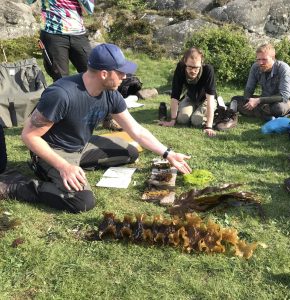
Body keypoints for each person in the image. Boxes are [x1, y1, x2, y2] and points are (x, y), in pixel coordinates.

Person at [0, 43, 191, 213]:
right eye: (121, 72)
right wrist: (64, 166)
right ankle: (16, 186)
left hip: (81, 146)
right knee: (82, 201)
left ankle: (76, 167)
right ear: (104, 73)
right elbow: (29, 136)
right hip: (53, 152)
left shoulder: (110, 93)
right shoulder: (62, 94)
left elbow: (136, 130)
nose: (125, 77)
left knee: (130, 152)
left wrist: (168, 154)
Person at [27, 0, 120, 131]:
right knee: (60, 81)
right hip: (53, 35)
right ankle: (65, 122)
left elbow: (89, 8)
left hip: (78, 35)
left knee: (99, 75)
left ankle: (108, 119)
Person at [158, 47, 218, 137]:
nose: (193, 71)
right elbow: (175, 95)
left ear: (201, 62)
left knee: (196, 121)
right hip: (190, 97)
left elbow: (210, 99)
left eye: (196, 68)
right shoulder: (180, 68)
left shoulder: (208, 70)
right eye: (190, 67)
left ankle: (215, 109)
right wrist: (172, 120)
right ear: (185, 61)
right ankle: (192, 109)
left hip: (206, 99)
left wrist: (209, 126)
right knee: (182, 119)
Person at [232, 43, 290, 120]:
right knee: (235, 100)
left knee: (278, 108)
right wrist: (248, 100)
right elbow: (249, 88)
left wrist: (259, 100)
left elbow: (284, 96)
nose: (260, 63)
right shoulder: (255, 67)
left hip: (283, 101)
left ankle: (262, 112)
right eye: (258, 59)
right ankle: (266, 114)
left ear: (273, 58)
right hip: (264, 99)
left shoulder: (283, 68)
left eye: (264, 59)